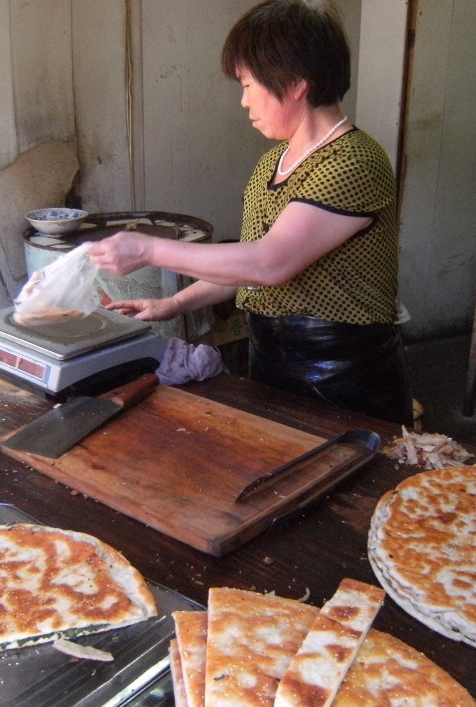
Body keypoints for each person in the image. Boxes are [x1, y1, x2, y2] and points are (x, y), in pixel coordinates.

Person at [86, 0, 411, 425]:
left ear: (295, 82)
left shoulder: (354, 162)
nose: (243, 101)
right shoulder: (270, 165)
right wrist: (173, 303)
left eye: (247, 83)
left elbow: (269, 263)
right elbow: (247, 265)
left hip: (346, 377)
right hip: (270, 364)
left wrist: (148, 249)